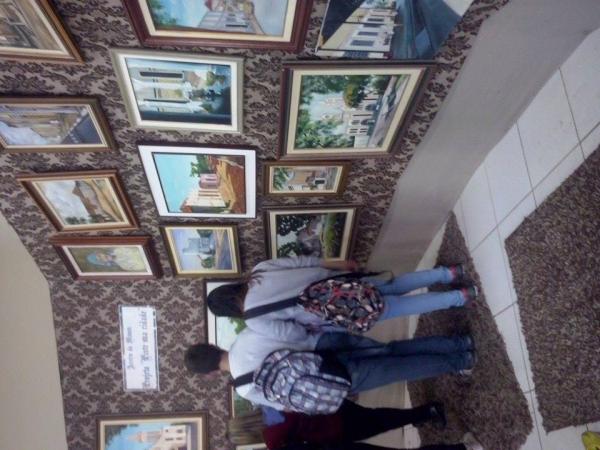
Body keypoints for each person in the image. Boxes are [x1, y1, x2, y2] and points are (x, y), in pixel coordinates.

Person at [184, 327, 475, 411]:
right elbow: (292, 334)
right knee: (391, 349)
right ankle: (460, 342)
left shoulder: (246, 389)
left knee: (400, 369)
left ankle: (462, 361)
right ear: (212, 346)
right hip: (326, 347)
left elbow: (288, 404)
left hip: (334, 378)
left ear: (210, 374)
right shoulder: (247, 336)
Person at [207, 256, 477, 342]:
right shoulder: (260, 270)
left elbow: (293, 334)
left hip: (341, 309)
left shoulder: (255, 320)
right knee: (395, 284)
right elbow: (304, 261)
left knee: (400, 307)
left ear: (229, 311)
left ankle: (460, 296)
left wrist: (311, 328)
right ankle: (449, 273)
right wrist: (338, 264)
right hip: (340, 282)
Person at [227, 399, 449, 449]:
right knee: (379, 418)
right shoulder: (268, 405)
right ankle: (422, 414)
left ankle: (425, 413)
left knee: (380, 423)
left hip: (335, 432)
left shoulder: (272, 440)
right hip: (334, 408)